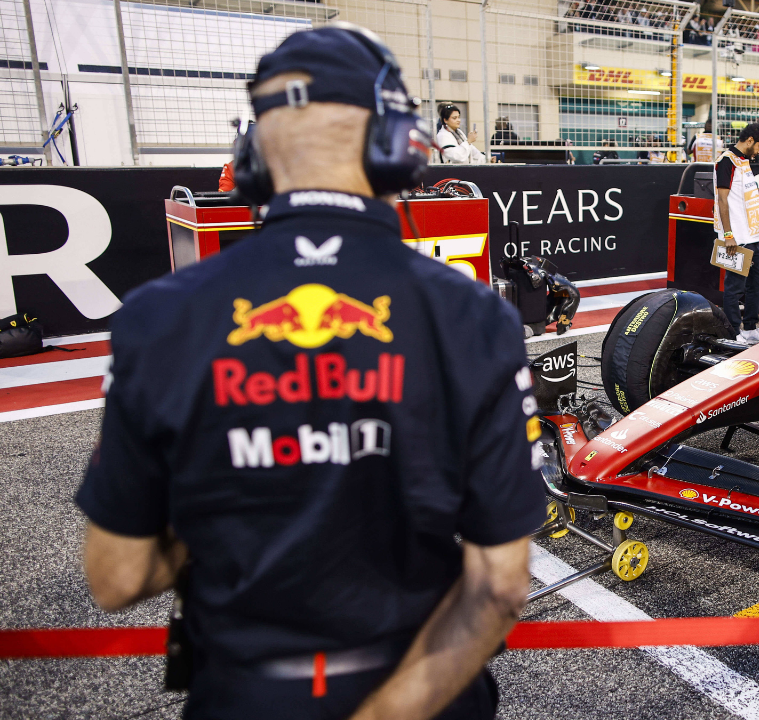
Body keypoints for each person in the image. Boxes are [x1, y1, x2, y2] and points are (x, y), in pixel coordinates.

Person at [75, 26, 544, 720]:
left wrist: (237, 486)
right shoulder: (474, 315)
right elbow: (502, 585)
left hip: (242, 695)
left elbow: (117, 575)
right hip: (424, 693)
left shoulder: (157, 318)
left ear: (252, 156)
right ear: (398, 143)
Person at [715, 122, 759, 344]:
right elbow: (722, 199)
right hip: (736, 237)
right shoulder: (726, 161)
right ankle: (733, 331)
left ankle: (751, 328)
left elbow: (746, 193)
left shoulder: (743, 162)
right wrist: (728, 235)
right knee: (734, 288)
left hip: (753, 236)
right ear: (749, 141)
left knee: (757, 284)